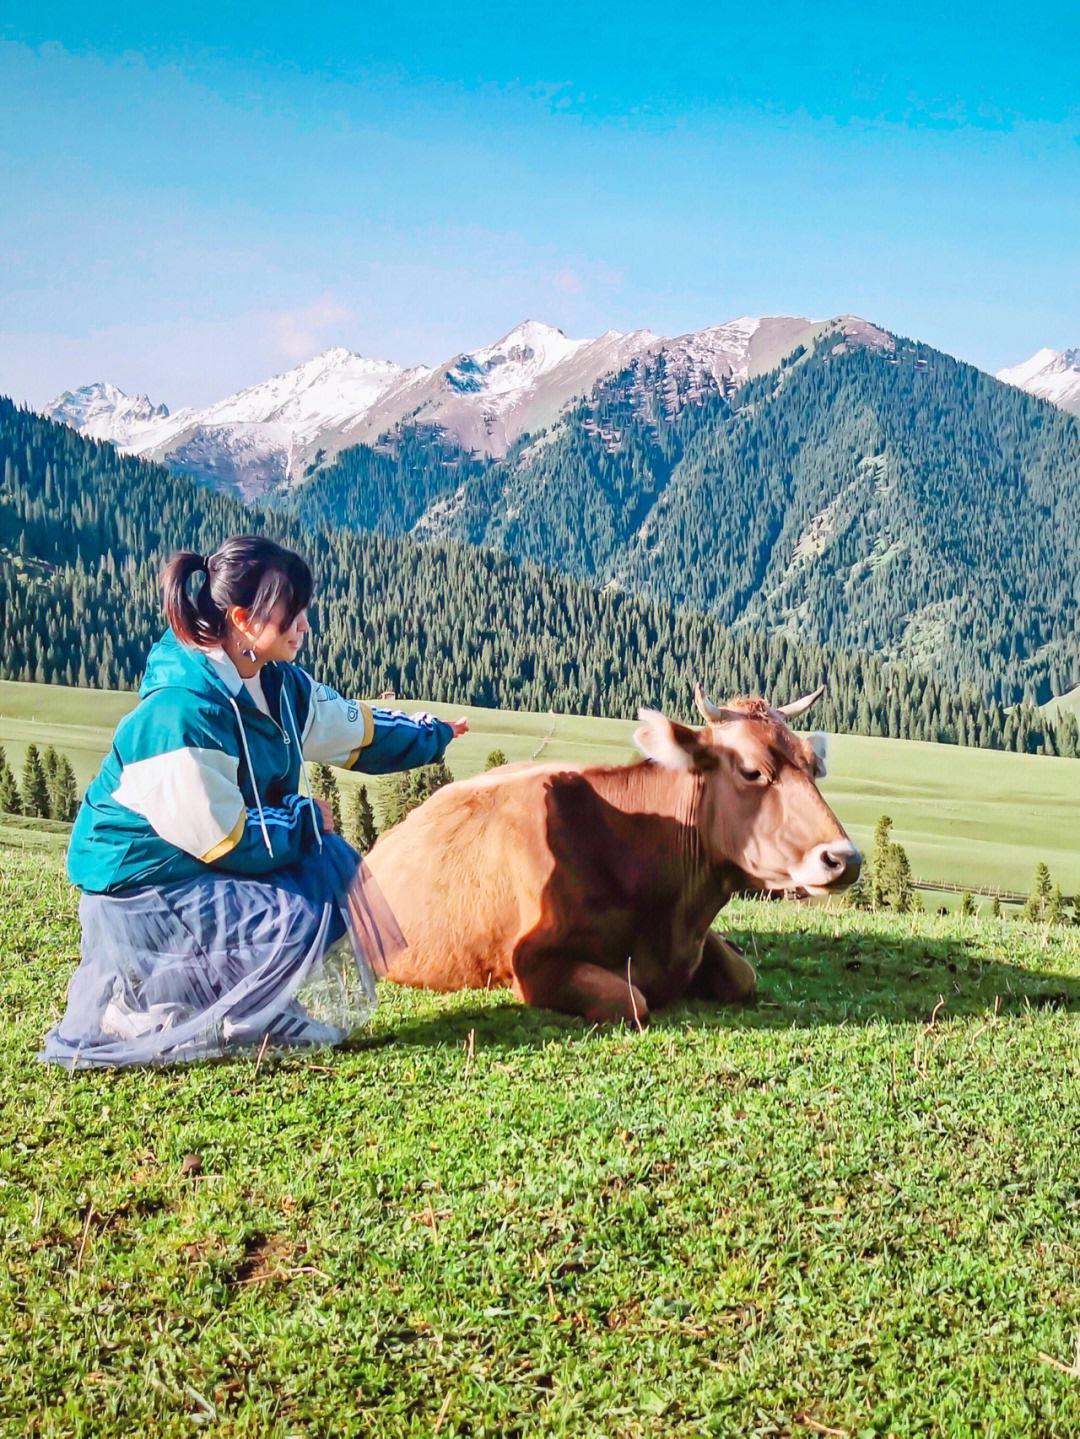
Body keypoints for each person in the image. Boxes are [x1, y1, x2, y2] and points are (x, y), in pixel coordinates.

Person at [41, 535, 468, 1069]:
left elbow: (352, 730)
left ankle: (244, 1005)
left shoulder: (277, 685)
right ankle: (155, 1005)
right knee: (295, 908)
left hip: (197, 867)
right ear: (243, 619)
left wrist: (436, 734)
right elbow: (232, 841)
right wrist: (308, 819)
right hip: (138, 891)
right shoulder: (181, 711)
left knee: (330, 868)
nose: (305, 626)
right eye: (293, 614)